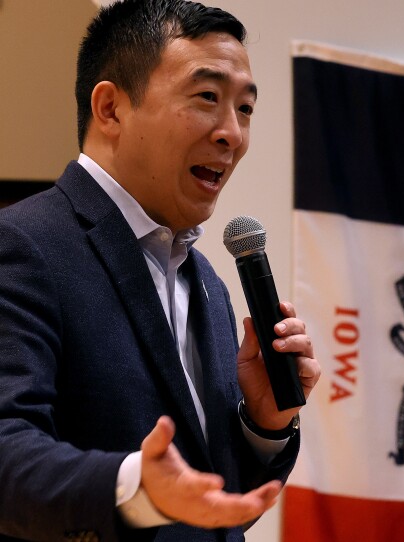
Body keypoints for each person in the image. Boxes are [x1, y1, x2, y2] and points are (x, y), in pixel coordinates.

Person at [0, 0, 321, 540]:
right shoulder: (23, 245)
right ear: (110, 109)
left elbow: (211, 505)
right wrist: (134, 486)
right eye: (207, 98)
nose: (233, 134)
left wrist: (262, 424)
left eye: (245, 109)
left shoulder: (209, 284)